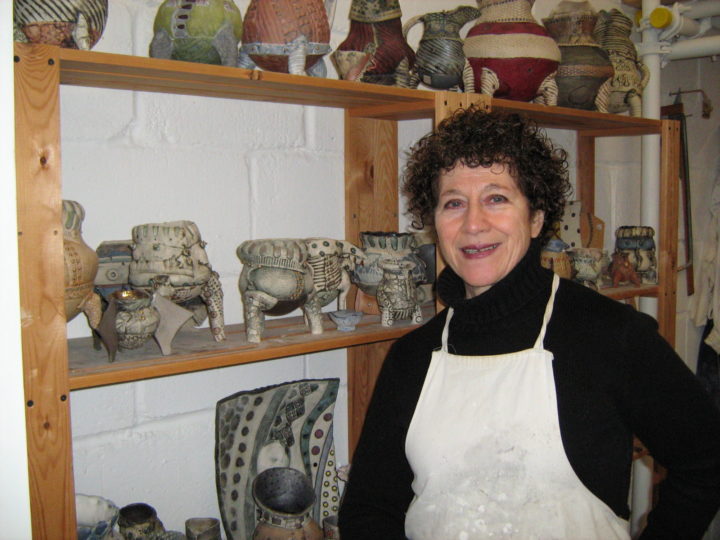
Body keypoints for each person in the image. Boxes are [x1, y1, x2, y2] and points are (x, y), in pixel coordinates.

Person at [337, 107, 720, 539]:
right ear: (436, 223)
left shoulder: (610, 335)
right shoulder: (412, 357)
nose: (473, 224)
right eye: (454, 203)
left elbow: (706, 462)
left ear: (536, 217)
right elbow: (369, 510)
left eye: (496, 198)